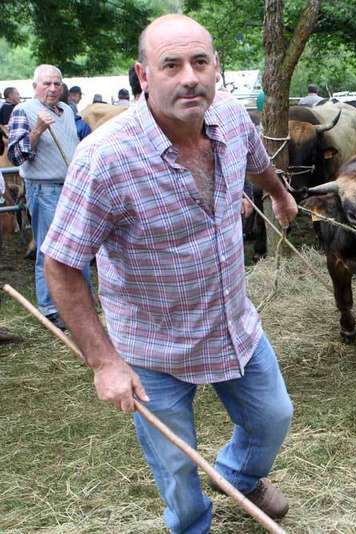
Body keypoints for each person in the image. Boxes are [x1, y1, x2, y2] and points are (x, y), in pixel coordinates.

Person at [40, 14, 297, 532]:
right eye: (171, 65)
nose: (189, 77)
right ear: (143, 75)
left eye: (200, 62)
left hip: (233, 326)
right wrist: (104, 362)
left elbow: (255, 160)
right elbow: (62, 264)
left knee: (273, 419)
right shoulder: (105, 159)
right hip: (153, 347)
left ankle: (238, 477)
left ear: (216, 69)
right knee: (178, 467)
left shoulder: (229, 116)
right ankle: (191, 525)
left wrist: (277, 191)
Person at [7, 64, 92, 330]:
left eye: (57, 83)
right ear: (35, 87)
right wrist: (38, 130)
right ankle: (49, 308)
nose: (53, 88)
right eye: (47, 83)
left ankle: (83, 304)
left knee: (80, 247)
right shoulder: (24, 111)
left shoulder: (67, 110)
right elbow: (15, 156)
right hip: (44, 190)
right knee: (49, 250)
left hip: (71, 187)